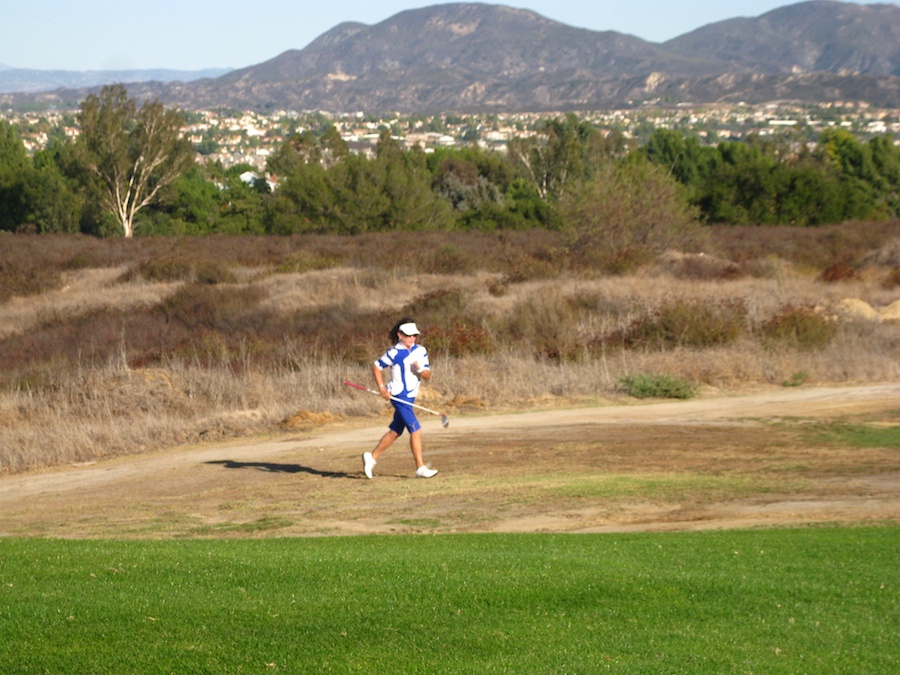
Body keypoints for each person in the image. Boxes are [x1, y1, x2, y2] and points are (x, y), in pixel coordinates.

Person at [362, 318, 438, 479]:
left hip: (410, 397)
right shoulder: (394, 353)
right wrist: (382, 388)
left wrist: (418, 368)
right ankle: (420, 468)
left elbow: (427, 376)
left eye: (414, 336)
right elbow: (376, 367)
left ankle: (371, 457)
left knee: (396, 431)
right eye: (408, 336)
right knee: (415, 429)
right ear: (400, 335)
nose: (411, 339)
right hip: (397, 396)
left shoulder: (421, 351)